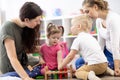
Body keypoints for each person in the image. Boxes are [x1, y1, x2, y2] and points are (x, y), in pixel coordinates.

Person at [0, 2, 43, 80]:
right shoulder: (8, 28)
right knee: (38, 69)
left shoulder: (26, 27)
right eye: (36, 21)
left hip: (23, 62)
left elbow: (28, 49)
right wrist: (26, 78)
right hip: (11, 67)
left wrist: (48, 48)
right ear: (26, 20)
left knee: (43, 65)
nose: (38, 23)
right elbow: (12, 58)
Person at [76, 0, 120, 76]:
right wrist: (94, 59)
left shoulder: (113, 19)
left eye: (87, 11)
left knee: (100, 67)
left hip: (117, 54)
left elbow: (115, 46)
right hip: (108, 51)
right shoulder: (98, 21)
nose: (86, 15)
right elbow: (100, 44)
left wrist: (117, 68)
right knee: (79, 62)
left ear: (95, 7)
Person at [58, 15, 108, 80]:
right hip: (104, 64)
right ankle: (107, 70)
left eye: (72, 25)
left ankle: (89, 75)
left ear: (79, 26)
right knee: (85, 64)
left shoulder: (78, 39)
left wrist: (61, 65)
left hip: (95, 66)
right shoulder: (91, 37)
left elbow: (70, 56)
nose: (71, 28)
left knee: (78, 72)